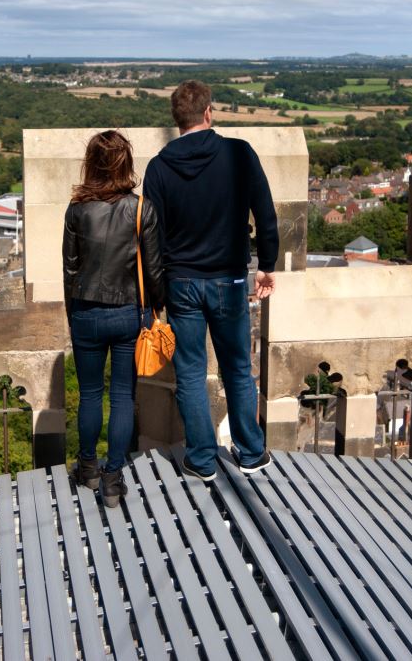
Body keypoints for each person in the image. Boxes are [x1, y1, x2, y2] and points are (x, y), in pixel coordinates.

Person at [144, 80, 278, 481]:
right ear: (208, 112)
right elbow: (265, 214)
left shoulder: (159, 167)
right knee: (237, 368)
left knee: (189, 372)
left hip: (180, 282)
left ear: (176, 119)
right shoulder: (238, 153)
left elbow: (149, 237)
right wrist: (267, 264)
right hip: (229, 280)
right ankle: (251, 453)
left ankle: (201, 460)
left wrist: (155, 293)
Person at [63, 130, 163, 508]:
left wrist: (73, 316)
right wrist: (157, 307)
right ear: (126, 164)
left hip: (86, 311)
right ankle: (113, 479)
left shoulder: (76, 210)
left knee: (90, 394)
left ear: (91, 164)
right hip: (128, 313)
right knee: (123, 396)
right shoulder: (142, 209)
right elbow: (154, 271)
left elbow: (69, 270)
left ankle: (87, 467)